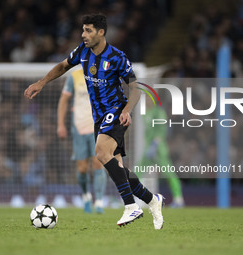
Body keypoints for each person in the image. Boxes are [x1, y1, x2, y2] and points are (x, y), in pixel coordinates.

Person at [24, 14, 164, 229]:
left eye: (88, 30)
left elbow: (135, 86)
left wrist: (127, 110)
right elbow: (62, 66)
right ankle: (152, 200)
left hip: (116, 111)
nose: (83, 35)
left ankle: (130, 206)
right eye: (83, 30)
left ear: (101, 32)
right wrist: (41, 83)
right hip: (99, 116)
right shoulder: (82, 51)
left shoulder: (117, 56)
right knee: (116, 168)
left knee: (100, 153)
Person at [57, 68, 107, 213]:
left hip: (98, 128)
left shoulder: (103, 75)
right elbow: (64, 100)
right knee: (82, 168)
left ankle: (98, 202)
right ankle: (86, 197)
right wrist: (60, 124)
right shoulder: (75, 77)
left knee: (98, 164)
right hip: (78, 128)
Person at [137, 97, 185, 208]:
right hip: (148, 148)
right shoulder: (145, 113)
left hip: (158, 149)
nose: (147, 101)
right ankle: (131, 198)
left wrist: (155, 144)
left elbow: (161, 130)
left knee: (169, 173)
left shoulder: (159, 112)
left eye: (149, 99)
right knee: (138, 171)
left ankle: (179, 200)